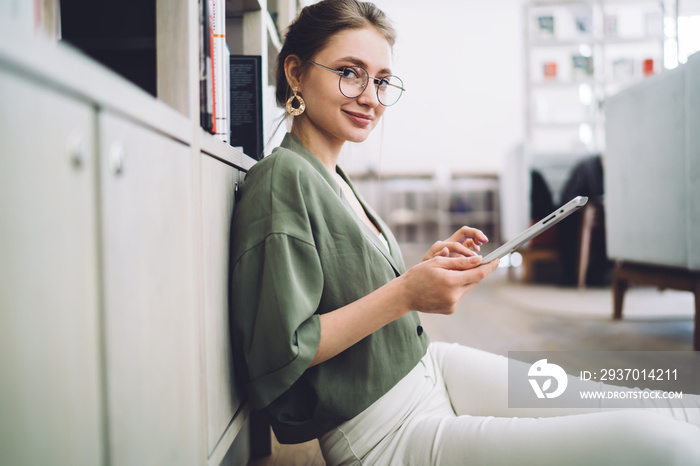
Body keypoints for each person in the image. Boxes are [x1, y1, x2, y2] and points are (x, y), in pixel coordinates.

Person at [229, 1, 700, 464]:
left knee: (653, 402)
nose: (371, 97)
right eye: (350, 72)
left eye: (381, 80)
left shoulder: (330, 175)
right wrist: (408, 292)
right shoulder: (282, 178)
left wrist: (422, 272)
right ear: (295, 73)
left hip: (429, 365)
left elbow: (347, 287)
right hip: (384, 429)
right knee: (656, 440)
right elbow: (281, 349)